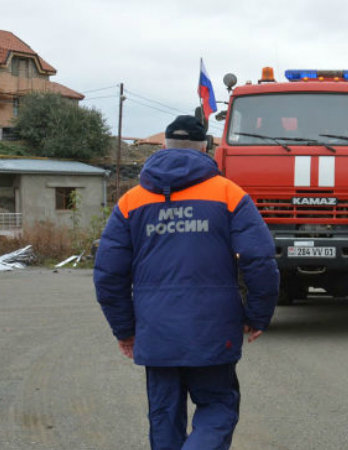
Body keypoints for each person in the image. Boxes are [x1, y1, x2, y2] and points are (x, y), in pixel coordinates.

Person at [93, 115, 279, 450]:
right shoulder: (229, 194)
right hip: (214, 328)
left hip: (156, 329)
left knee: (164, 416)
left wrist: (124, 329)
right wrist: (257, 314)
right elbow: (259, 259)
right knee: (218, 407)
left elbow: (108, 273)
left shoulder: (131, 201)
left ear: (164, 146)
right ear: (206, 148)